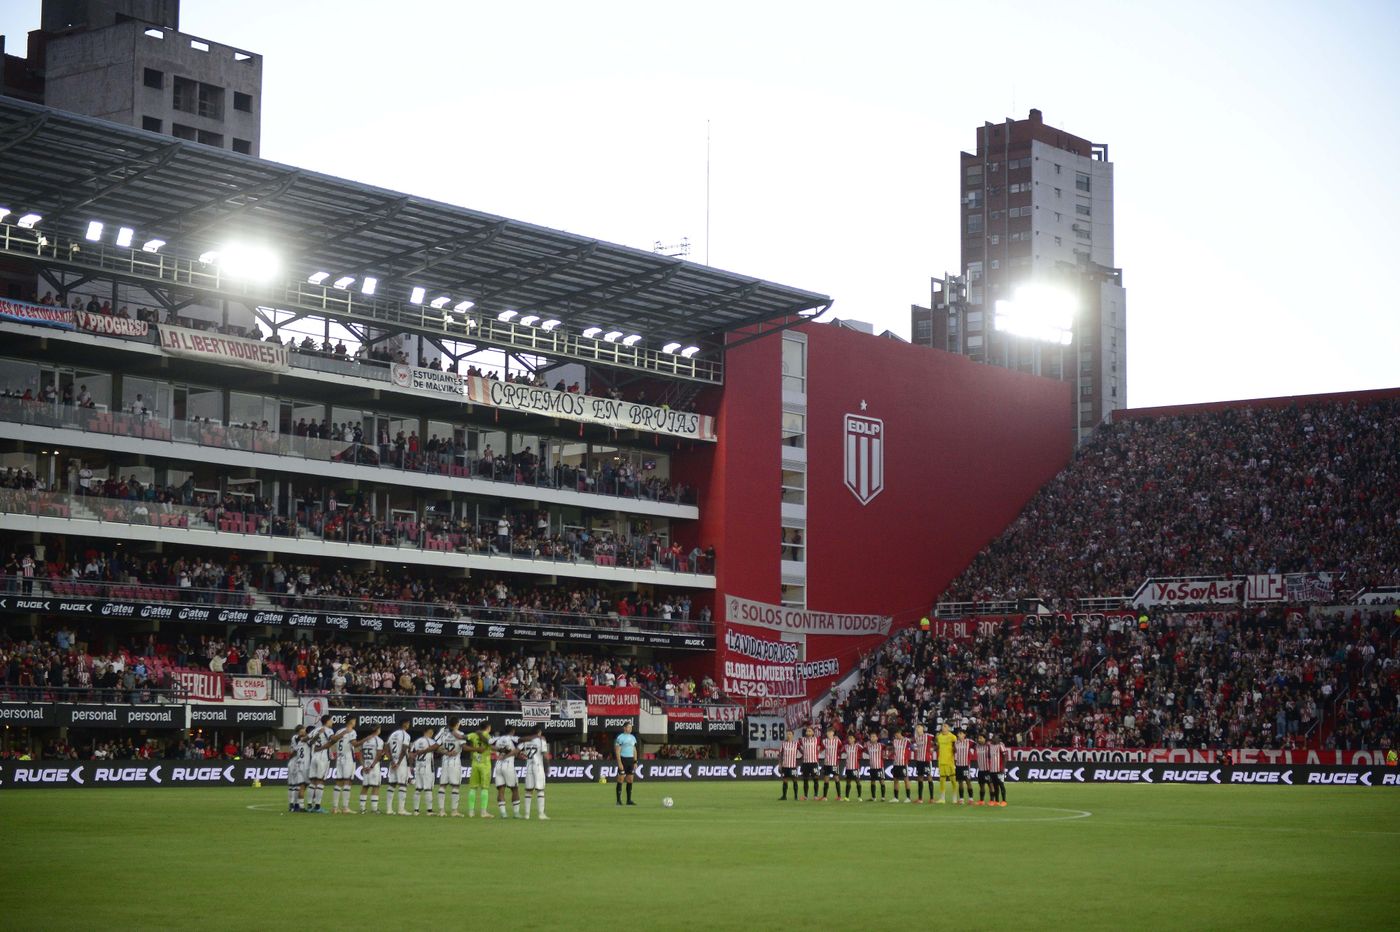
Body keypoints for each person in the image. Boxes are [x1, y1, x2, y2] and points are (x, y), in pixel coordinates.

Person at [435, 717, 468, 817]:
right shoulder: (460, 734)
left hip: (445, 761)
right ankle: (454, 811)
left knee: (443, 785)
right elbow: (464, 747)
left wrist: (446, 752)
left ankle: (441, 811)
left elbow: (437, 747)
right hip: (455, 762)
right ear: (457, 724)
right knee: (455, 785)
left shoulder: (443, 733)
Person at [327, 715, 358, 814]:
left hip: (339, 758)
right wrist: (366, 739)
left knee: (339, 782)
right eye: (354, 720)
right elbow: (354, 744)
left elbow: (333, 741)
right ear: (351, 721)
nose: (355, 722)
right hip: (348, 759)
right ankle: (345, 807)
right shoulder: (352, 731)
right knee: (347, 782)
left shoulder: (339, 731)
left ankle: (335, 808)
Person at [306, 714, 335, 813]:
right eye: (331, 720)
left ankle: (309, 805)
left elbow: (307, 741)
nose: (332, 722)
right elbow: (333, 739)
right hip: (323, 757)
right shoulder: (328, 730)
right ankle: (317, 807)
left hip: (314, 756)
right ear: (327, 721)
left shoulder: (315, 730)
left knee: (313, 781)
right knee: (320, 781)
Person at [492, 725, 523, 817]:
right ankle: (516, 813)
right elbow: (517, 750)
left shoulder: (498, 739)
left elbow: (488, 745)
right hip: (508, 765)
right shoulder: (513, 739)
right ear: (513, 731)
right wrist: (512, 754)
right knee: (515, 788)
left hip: (498, 765)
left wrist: (499, 750)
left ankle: (503, 813)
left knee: (501, 789)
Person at [520, 727, 550, 820]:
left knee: (528, 791)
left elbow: (519, 751)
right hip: (538, 766)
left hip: (528, 766)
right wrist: (547, 768)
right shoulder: (541, 740)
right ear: (539, 732)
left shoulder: (526, 741)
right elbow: (545, 756)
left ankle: (526, 815)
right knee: (540, 790)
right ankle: (541, 814)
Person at [465, 723, 494, 818]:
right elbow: (491, 743)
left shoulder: (473, 735)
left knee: (473, 788)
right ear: (488, 727)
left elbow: (464, 737)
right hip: (485, 764)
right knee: (484, 788)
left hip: (475, 763)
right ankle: (483, 812)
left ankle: (471, 812)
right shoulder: (487, 735)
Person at [409, 726, 439, 815]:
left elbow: (410, 754)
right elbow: (438, 749)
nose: (432, 734)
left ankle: (416, 810)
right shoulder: (431, 741)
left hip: (418, 767)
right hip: (427, 767)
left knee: (418, 788)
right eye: (431, 732)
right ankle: (429, 811)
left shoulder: (416, 742)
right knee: (428, 789)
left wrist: (411, 765)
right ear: (427, 731)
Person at [386, 720, 412, 815]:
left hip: (392, 762)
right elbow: (404, 749)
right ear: (405, 724)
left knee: (392, 784)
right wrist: (398, 762)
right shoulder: (406, 735)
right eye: (408, 723)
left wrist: (392, 761)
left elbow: (386, 748)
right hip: (400, 763)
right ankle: (401, 810)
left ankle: (389, 809)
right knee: (402, 784)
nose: (409, 725)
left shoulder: (393, 734)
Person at [356, 725, 384, 814]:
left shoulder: (365, 740)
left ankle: (362, 808)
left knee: (365, 786)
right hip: (373, 767)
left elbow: (359, 753)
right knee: (375, 786)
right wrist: (372, 766)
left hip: (365, 766)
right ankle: (374, 809)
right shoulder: (378, 740)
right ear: (378, 730)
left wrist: (363, 766)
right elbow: (379, 754)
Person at [614, 721, 639, 807]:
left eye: (631, 727)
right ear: (624, 728)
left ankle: (628, 800)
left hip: (630, 760)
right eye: (629, 727)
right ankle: (618, 800)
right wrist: (619, 763)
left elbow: (634, 750)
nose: (630, 729)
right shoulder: (620, 738)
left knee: (630, 780)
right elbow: (617, 751)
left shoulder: (633, 738)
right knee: (620, 779)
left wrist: (635, 761)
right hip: (623, 759)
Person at [286, 724, 310, 812]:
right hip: (296, 763)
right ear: (299, 731)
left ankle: (292, 805)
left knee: (292, 785)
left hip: (293, 762)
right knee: (296, 785)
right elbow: (295, 751)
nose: (304, 731)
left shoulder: (295, 738)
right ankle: (294, 805)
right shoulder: (297, 738)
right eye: (303, 730)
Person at [935, 721, 957, 804]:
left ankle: (955, 797)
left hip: (950, 761)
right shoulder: (939, 737)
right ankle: (942, 798)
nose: (943, 727)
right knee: (942, 780)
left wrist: (954, 748)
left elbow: (955, 749)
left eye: (945, 726)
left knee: (953, 780)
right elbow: (938, 747)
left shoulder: (953, 737)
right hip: (941, 761)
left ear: (948, 728)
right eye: (942, 726)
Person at [819, 727, 843, 801]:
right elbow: (821, 749)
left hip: (834, 763)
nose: (829, 733)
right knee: (826, 779)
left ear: (833, 733)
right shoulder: (824, 741)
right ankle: (825, 796)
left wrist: (838, 755)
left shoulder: (837, 740)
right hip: (827, 763)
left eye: (830, 732)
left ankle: (839, 796)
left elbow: (842, 747)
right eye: (828, 732)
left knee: (836, 778)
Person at [911, 723, 933, 803]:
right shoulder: (916, 738)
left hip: (926, 760)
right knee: (920, 778)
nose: (918, 728)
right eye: (917, 727)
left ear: (923, 729)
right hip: (919, 760)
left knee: (929, 777)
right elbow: (912, 745)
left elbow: (936, 740)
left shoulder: (928, 736)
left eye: (919, 727)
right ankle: (920, 799)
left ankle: (932, 798)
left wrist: (933, 748)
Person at [889, 727, 912, 803]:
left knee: (906, 779)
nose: (895, 736)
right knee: (895, 780)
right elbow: (894, 750)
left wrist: (907, 759)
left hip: (903, 763)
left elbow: (910, 750)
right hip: (896, 763)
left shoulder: (907, 741)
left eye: (896, 734)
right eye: (895, 735)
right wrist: (889, 754)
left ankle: (908, 797)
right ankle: (896, 798)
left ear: (899, 733)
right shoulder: (895, 741)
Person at [985, 733, 1008, 807]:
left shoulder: (1001, 745)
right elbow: (989, 755)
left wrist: (1003, 768)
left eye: (995, 738)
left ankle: (1004, 801)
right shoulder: (990, 746)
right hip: (992, 769)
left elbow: (1005, 757)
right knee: (995, 786)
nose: (993, 739)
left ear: (998, 739)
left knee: (1001, 784)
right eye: (992, 738)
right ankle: (997, 801)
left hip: (999, 769)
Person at [954, 725, 974, 805]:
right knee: (960, 782)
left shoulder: (968, 741)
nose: (959, 735)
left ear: (964, 735)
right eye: (958, 733)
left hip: (966, 765)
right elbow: (954, 751)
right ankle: (961, 799)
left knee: (968, 781)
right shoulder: (956, 743)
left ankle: (971, 799)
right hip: (958, 765)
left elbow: (976, 745)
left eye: (961, 733)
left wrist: (972, 750)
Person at [777, 731, 800, 802]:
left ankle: (796, 796)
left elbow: (802, 752)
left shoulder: (796, 744)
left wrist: (799, 761)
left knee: (795, 780)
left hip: (793, 766)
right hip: (785, 765)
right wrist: (780, 764)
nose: (788, 735)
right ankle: (784, 796)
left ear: (793, 735)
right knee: (785, 780)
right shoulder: (783, 744)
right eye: (787, 734)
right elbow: (780, 754)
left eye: (790, 734)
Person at [841, 732, 864, 801]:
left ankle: (859, 797)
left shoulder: (858, 746)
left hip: (855, 767)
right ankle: (847, 797)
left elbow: (864, 749)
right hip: (848, 767)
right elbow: (840, 751)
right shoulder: (846, 747)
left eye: (851, 738)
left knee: (857, 781)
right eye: (849, 738)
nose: (850, 739)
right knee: (848, 782)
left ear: (854, 739)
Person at [866, 730, 887, 801]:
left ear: (877, 738)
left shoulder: (881, 745)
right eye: (871, 737)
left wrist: (886, 755)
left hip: (879, 766)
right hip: (872, 767)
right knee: (872, 781)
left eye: (874, 736)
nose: (872, 738)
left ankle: (883, 797)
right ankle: (873, 797)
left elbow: (888, 747)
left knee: (881, 781)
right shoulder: (868, 746)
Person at [799, 727, 820, 800]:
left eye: (810, 731)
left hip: (814, 763)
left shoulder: (817, 739)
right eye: (807, 730)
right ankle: (805, 796)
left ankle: (816, 795)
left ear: (813, 733)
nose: (808, 732)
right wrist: (802, 753)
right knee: (805, 780)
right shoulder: (802, 740)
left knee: (815, 779)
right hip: (805, 763)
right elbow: (797, 746)